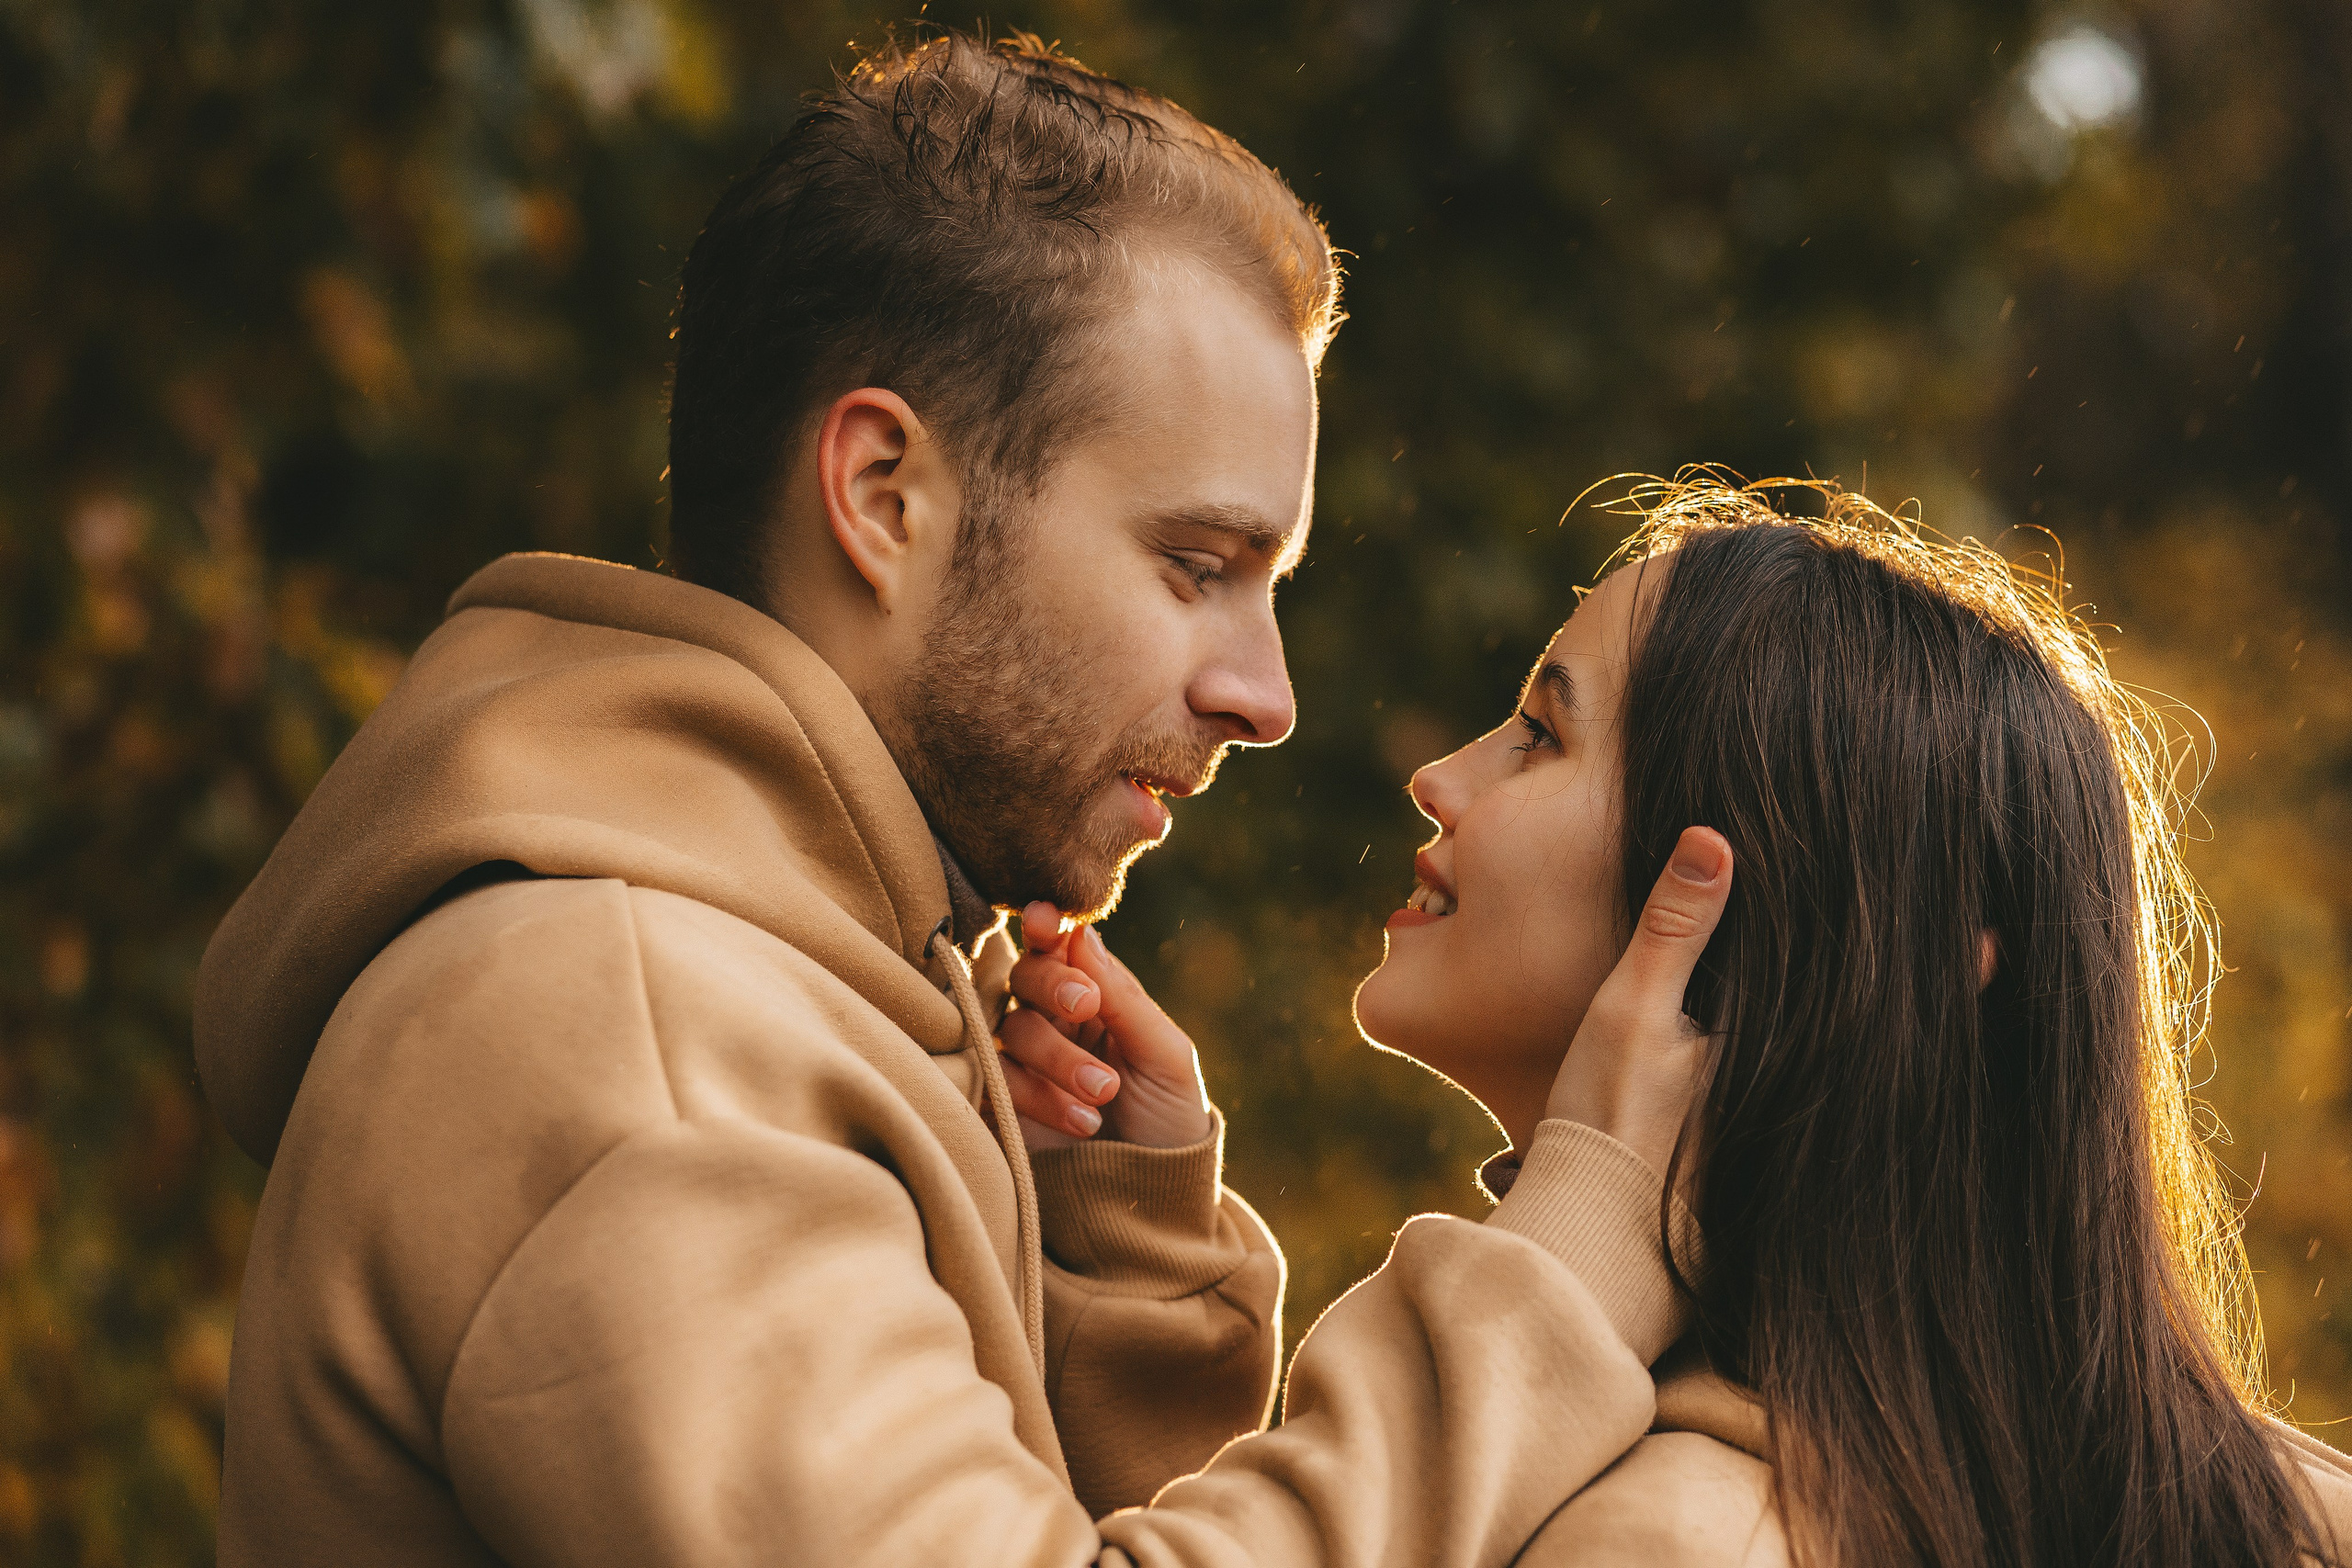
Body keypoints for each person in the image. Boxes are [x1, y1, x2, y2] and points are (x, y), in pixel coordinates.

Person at [193, 31, 1740, 1566]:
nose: (1265, 697)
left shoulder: (793, 1000)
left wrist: (1107, 1285)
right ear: (884, 497)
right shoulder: (638, 1042)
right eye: (1196, 567)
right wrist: (1559, 1281)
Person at [1332, 476, 2352, 1563]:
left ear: (1762, 918)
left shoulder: (1671, 1539)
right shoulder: (2277, 1515)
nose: (1436, 777)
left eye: (1539, 734)